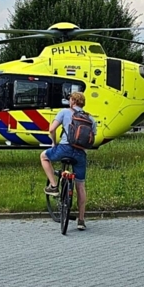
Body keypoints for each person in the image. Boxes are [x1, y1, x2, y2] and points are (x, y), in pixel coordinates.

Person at [40, 91, 97, 231]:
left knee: (44, 157)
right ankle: (81, 220)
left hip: (64, 149)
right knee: (81, 185)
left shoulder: (64, 112)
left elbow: (51, 129)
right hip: (80, 154)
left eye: (70, 99)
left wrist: (54, 143)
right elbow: (92, 139)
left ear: (72, 101)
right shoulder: (90, 119)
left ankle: (54, 186)